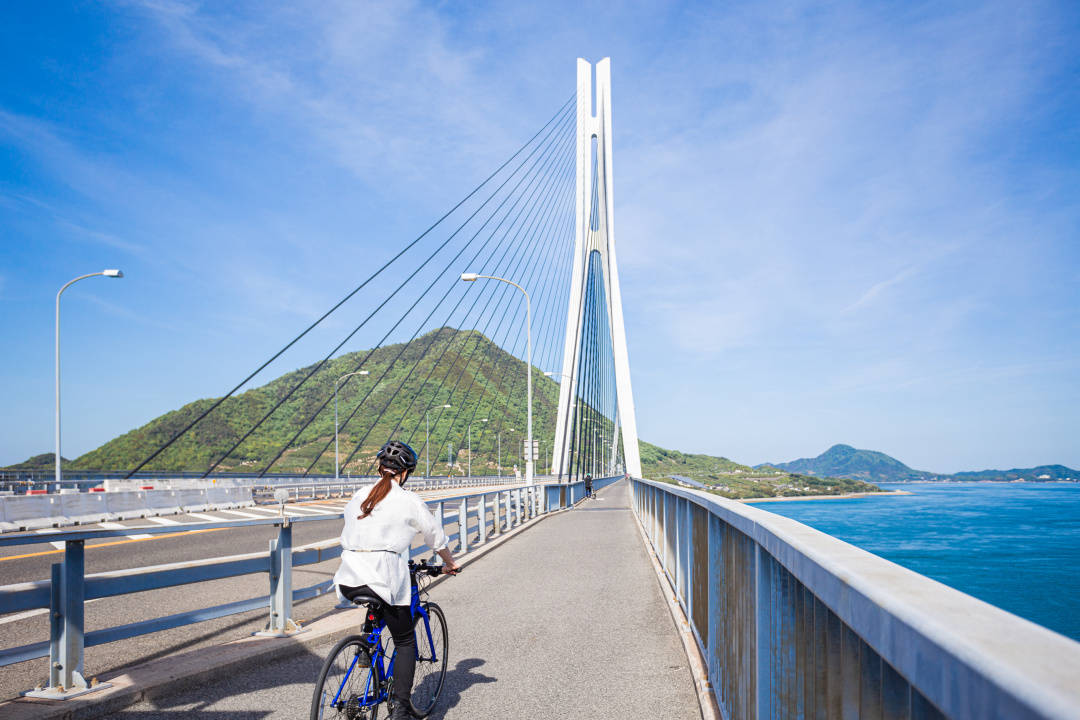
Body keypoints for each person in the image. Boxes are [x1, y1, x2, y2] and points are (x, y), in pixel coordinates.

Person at [334, 440, 460, 720]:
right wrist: (450, 564)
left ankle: (368, 643)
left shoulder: (359, 495)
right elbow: (435, 537)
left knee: (377, 604)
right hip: (384, 574)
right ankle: (401, 710)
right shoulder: (409, 500)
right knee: (404, 642)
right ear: (405, 473)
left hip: (348, 576)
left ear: (380, 468)